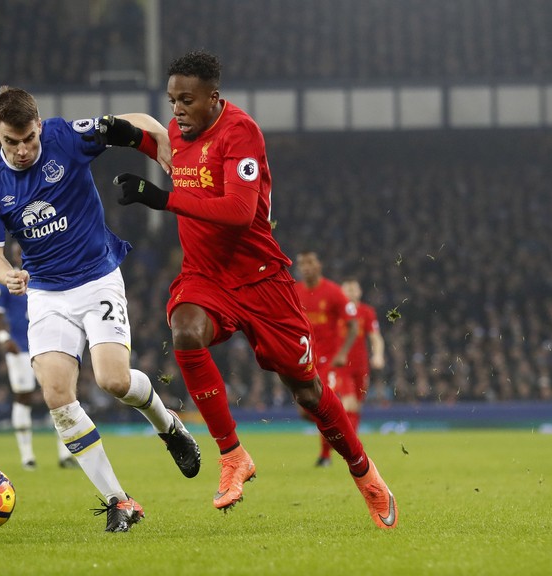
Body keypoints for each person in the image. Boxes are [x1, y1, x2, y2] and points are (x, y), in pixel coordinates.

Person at [110, 50, 398, 529]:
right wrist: (120, 135)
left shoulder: (240, 133)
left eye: (186, 100)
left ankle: (365, 473)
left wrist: (160, 199)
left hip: (262, 280)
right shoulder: (180, 130)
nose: (177, 110)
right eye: (172, 100)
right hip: (205, 275)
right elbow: (165, 148)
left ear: (213, 98)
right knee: (184, 332)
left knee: (307, 393)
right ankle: (232, 455)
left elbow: (240, 212)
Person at [0, 86, 201, 533]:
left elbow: (138, 121)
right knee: (58, 397)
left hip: (96, 277)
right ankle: (120, 501)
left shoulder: (66, 137)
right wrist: (6, 275)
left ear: (39, 126)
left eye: (28, 140)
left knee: (114, 381)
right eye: (10, 143)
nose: (22, 151)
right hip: (45, 294)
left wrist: (165, 152)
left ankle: (168, 425)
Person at [0, 241, 77, 471]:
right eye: (18, 252)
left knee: (60, 396)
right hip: (20, 348)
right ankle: (27, 456)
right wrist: (4, 339)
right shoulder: (9, 281)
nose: (22, 255)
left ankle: (65, 454)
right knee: (23, 397)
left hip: (48, 346)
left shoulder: (48, 276)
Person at [294, 250, 359, 467]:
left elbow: (353, 325)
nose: (307, 267)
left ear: (319, 265)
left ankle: (326, 456)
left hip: (328, 361)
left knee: (321, 407)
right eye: (303, 263)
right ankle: (342, 429)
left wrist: (341, 354)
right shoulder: (294, 291)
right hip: (304, 359)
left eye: (311, 262)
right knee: (306, 411)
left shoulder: (333, 292)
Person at [340, 276, 386, 432]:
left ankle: (352, 442)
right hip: (341, 365)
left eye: (353, 290)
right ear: (341, 292)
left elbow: (376, 338)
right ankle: (349, 445)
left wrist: (378, 355)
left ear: (359, 292)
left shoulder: (366, 312)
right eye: (347, 290)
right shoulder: (336, 313)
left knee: (357, 407)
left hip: (361, 366)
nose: (350, 293)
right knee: (348, 403)